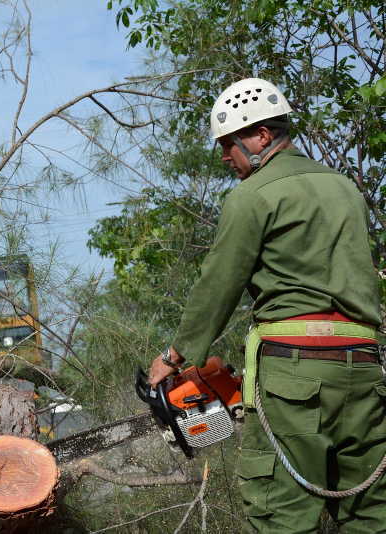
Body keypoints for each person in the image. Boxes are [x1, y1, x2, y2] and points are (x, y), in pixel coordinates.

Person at [146, 78, 386, 532]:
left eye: (228, 145)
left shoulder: (252, 196)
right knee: (371, 515)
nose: (224, 157)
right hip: (364, 371)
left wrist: (172, 357)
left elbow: (218, 285)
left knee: (281, 514)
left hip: (294, 375)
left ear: (260, 136)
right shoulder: (344, 189)